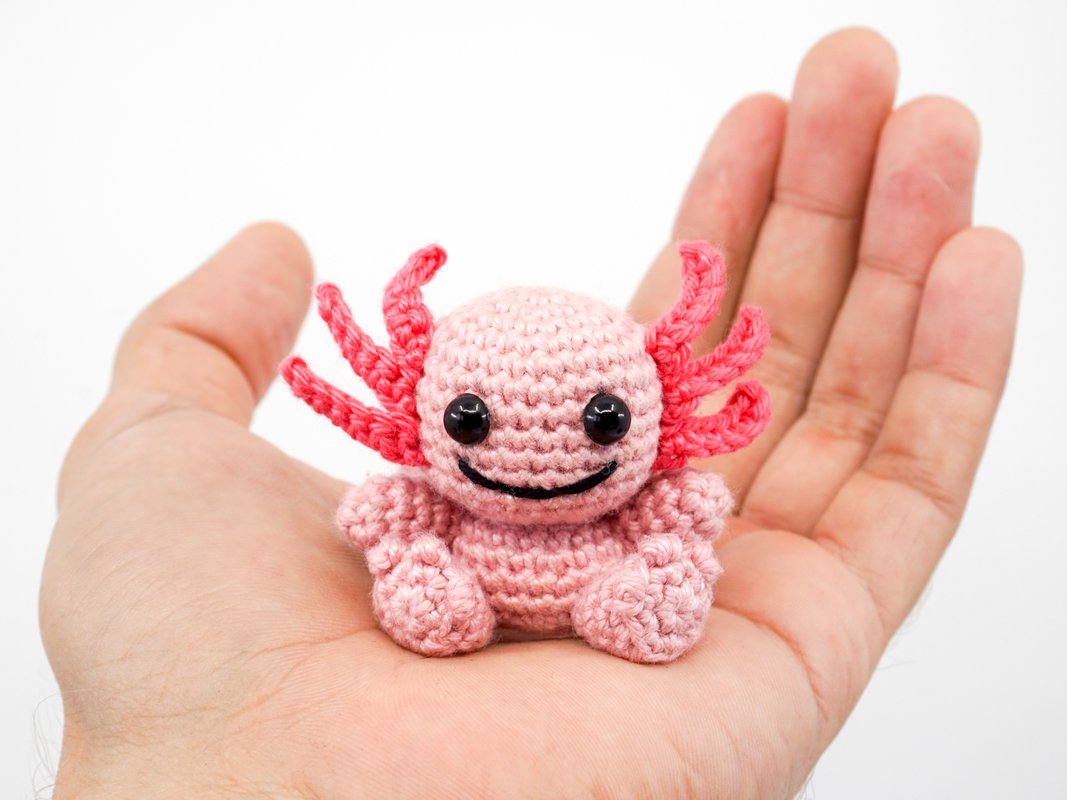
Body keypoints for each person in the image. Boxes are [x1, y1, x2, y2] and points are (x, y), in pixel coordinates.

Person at [40, 27, 1022, 799]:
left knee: (658, 584)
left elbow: (680, 508)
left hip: (608, 586)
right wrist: (400, 546)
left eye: (604, 420)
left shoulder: (644, 494)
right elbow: (389, 509)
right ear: (428, 412)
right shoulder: (437, 498)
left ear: (648, 414)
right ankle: (447, 594)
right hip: (464, 588)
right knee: (431, 598)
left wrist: (670, 542)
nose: (530, 452)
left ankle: (636, 601)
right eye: (470, 419)